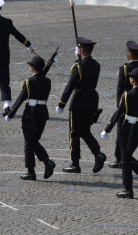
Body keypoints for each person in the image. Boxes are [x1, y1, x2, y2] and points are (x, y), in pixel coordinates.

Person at [56, 37, 107, 174]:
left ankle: (75, 163)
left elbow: (70, 86)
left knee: (74, 133)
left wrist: (61, 103)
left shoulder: (78, 67)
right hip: (92, 101)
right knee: (85, 131)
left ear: (82, 50)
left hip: (79, 101)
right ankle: (98, 153)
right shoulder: (96, 65)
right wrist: (80, 59)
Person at [101, 68, 138, 199]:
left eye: (130, 77)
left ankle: (128, 189)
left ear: (133, 80)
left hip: (127, 129)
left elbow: (118, 113)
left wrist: (107, 129)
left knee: (124, 159)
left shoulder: (127, 95)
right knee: (128, 156)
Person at [5, 56, 56, 181]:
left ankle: (32, 171)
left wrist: (10, 113)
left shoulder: (29, 82)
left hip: (31, 114)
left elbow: (20, 99)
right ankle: (47, 162)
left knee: (29, 143)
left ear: (33, 68)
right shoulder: (47, 81)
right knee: (33, 141)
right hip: (42, 113)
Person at [109, 41, 138, 170]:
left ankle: (119, 158)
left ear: (129, 54)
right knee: (137, 135)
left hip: (126, 104)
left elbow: (120, 90)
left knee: (121, 132)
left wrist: (120, 107)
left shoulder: (124, 68)